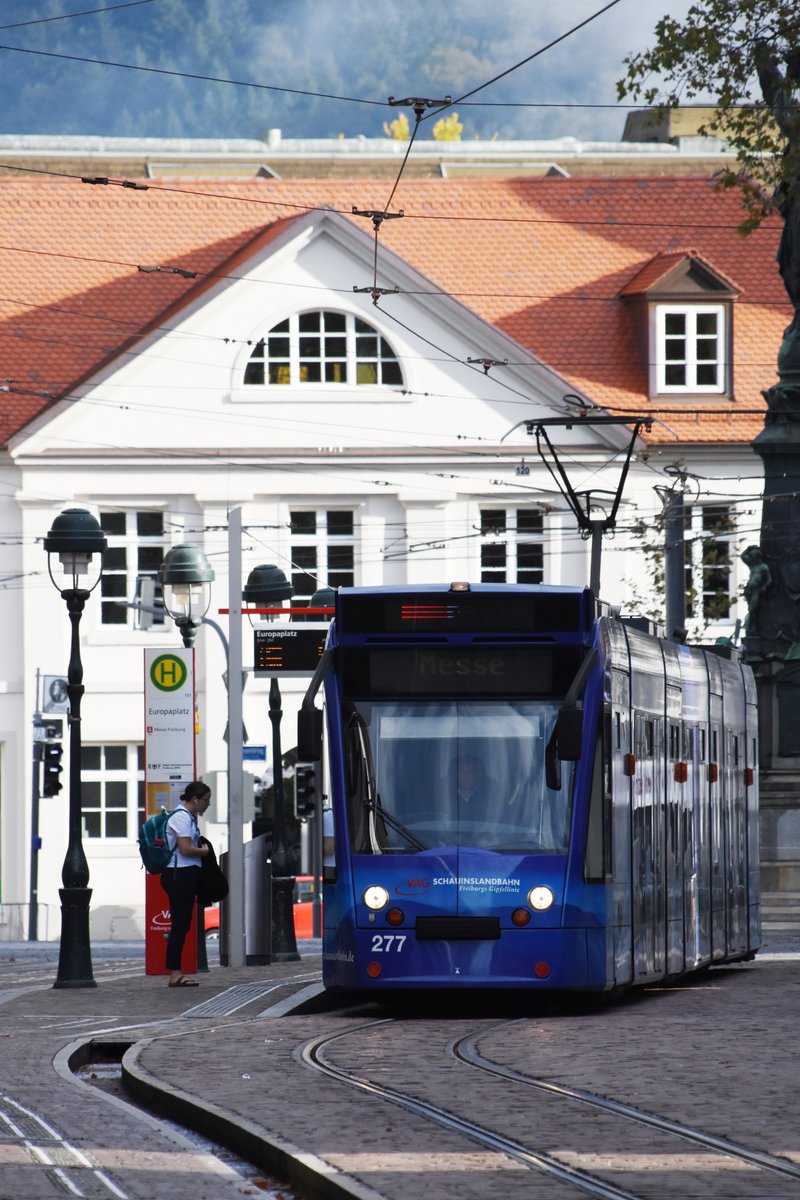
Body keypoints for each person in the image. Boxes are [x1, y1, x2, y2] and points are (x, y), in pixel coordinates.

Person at [161, 780, 211, 988]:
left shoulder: (187, 817)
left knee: (183, 924)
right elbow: (185, 849)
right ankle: (175, 974)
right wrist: (204, 851)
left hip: (184, 873)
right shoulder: (181, 818)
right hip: (179, 874)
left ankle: (176, 970)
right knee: (180, 925)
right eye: (206, 801)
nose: (208, 805)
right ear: (195, 799)